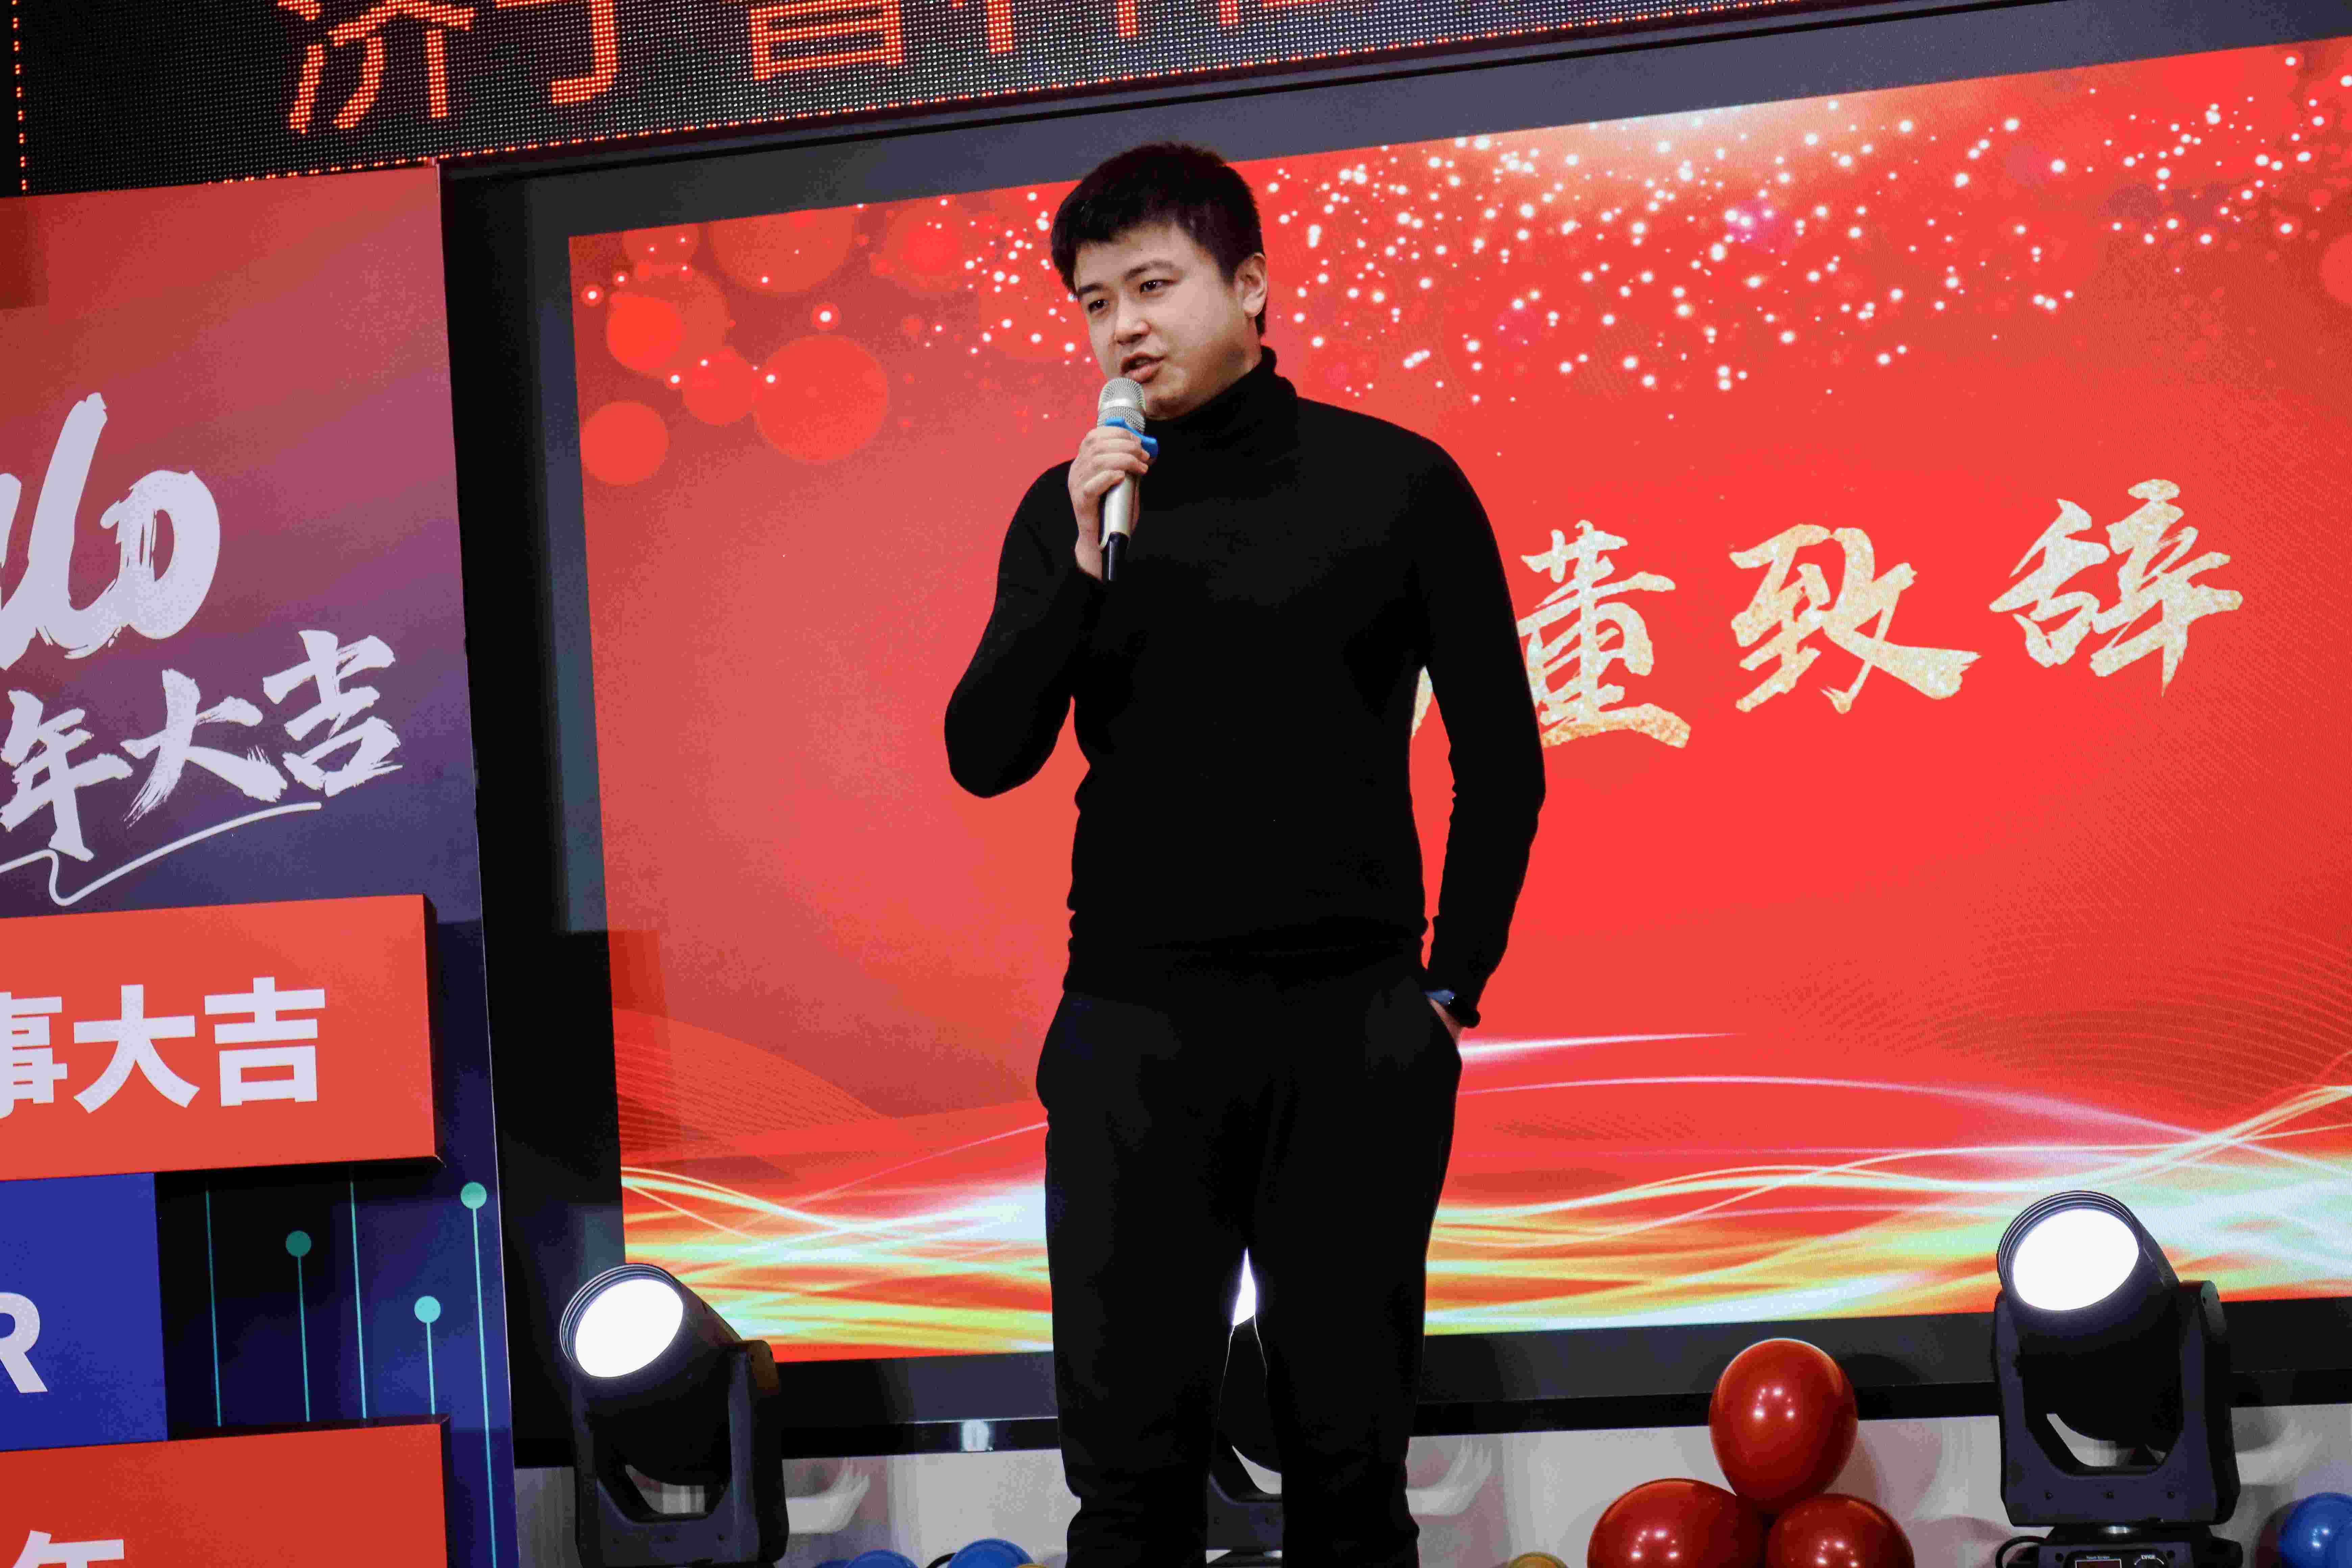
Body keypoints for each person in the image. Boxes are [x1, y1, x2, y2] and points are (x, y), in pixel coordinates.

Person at [944, 141, 1545, 1568]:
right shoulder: (1072, 508)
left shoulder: (1397, 481)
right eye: (1095, 304)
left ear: (1253, 284)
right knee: (1128, 1481)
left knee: (1348, 1470)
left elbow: (1502, 759)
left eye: (1154, 286)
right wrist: (1080, 565)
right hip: (1137, 1031)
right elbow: (985, 751)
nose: (1124, 328)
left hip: (1351, 1033)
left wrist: (1448, 988)